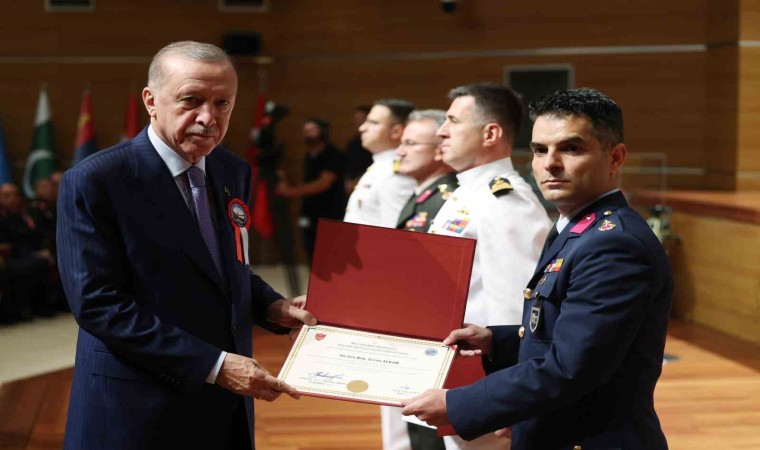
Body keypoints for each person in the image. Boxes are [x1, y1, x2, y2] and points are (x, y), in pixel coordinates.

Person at [56, 41, 317, 450]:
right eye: (191, 100)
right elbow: (97, 303)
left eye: (222, 103)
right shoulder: (97, 180)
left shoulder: (233, 169)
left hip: (224, 407)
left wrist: (271, 306)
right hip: (136, 408)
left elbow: (223, 265)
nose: (208, 118)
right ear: (151, 101)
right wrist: (214, 365)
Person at [402, 88, 673, 450]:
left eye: (571, 148)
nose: (550, 164)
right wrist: (496, 341)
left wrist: (461, 403)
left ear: (615, 157)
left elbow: (572, 367)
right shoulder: (576, 228)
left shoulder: (614, 244)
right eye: (540, 150)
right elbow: (561, 330)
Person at [422, 83, 551, 450]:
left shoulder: (504, 201)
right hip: (456, 369)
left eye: (452, 121)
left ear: (490, 133)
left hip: (484, 381)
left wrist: (510, 399)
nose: (441, 131)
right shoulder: (466, 192)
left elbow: (517, 312)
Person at [276, 117, 347, 260]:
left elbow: (323, 183)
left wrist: (291, 191)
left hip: (330, 212)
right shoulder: (310, 156)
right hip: (310, 212)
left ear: (323, 132)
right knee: (311, 249)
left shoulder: (333, 154)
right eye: (306, 131)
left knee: (329, 252)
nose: (308, 134)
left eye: (312, 130)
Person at [344, 99, 416, 228]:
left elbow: (396, 231)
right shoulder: (382, 165)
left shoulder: (398, 173)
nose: (362, 128)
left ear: (396, 131)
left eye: (373, 123)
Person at [395, 109, 457, 235]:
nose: (400, 152)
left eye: (410, 143)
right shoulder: (424, 191)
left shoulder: (449, 199)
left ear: (440, 150)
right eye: (401, 143)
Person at [344, 105, 374, 194]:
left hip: (369, 185)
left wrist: (357, 181)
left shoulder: (375, 144)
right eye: (356, 119)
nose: (357, 122)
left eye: (361, 119)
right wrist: (347, 181)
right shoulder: (352, 144)